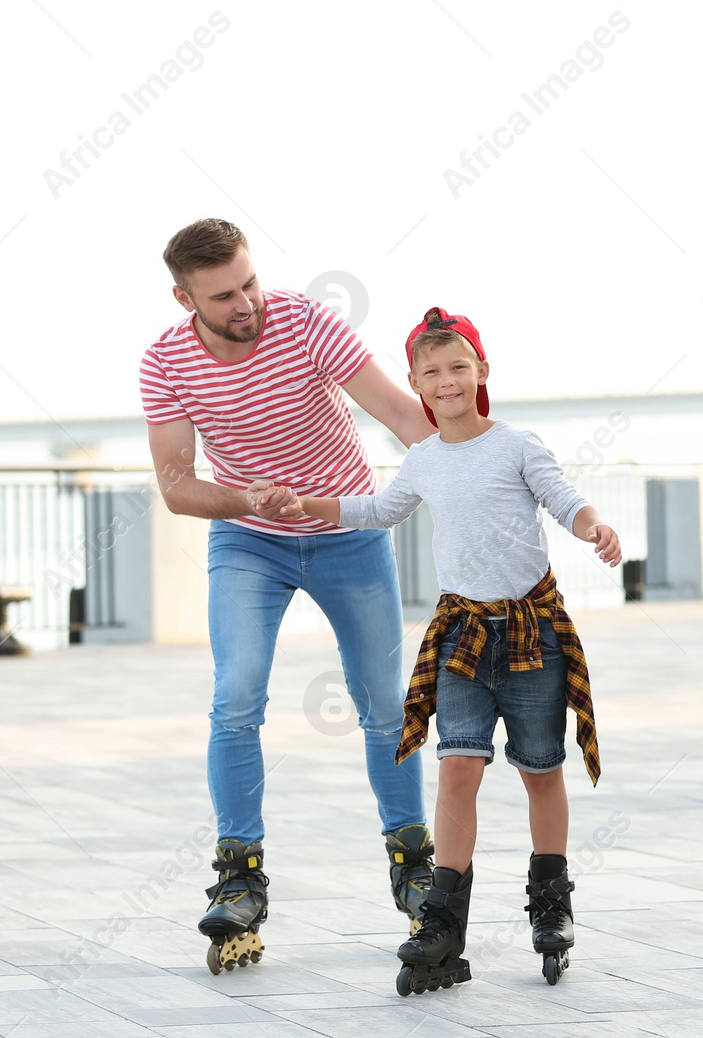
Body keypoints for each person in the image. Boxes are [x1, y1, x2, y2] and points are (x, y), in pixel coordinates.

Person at [267, 307, 620, 993]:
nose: (447, 380)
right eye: (431, 371)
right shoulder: (423, 459)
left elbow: (564, 498)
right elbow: (377, 509)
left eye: (458, 366)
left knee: (541, 770)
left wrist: (594, 526)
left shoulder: (517, 443)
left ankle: (551, 904)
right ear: (416, 384)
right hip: (460, 637)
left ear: (481, 372)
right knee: (457, 770)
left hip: (530, 634)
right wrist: (305, 503)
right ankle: (441, 927)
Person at [140, 218, 438, 973]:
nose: (247, 302)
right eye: (224, 295)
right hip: (249, 540)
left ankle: (412, 859)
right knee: (236, 694)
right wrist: (246, 496)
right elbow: (176, 486)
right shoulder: (165, 362)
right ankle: (238, 870)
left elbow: (403, 415)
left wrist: (476, 473)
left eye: (248, 281)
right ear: (185, 297)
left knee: (383, 703)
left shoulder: (305, 320)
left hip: (348, 528)